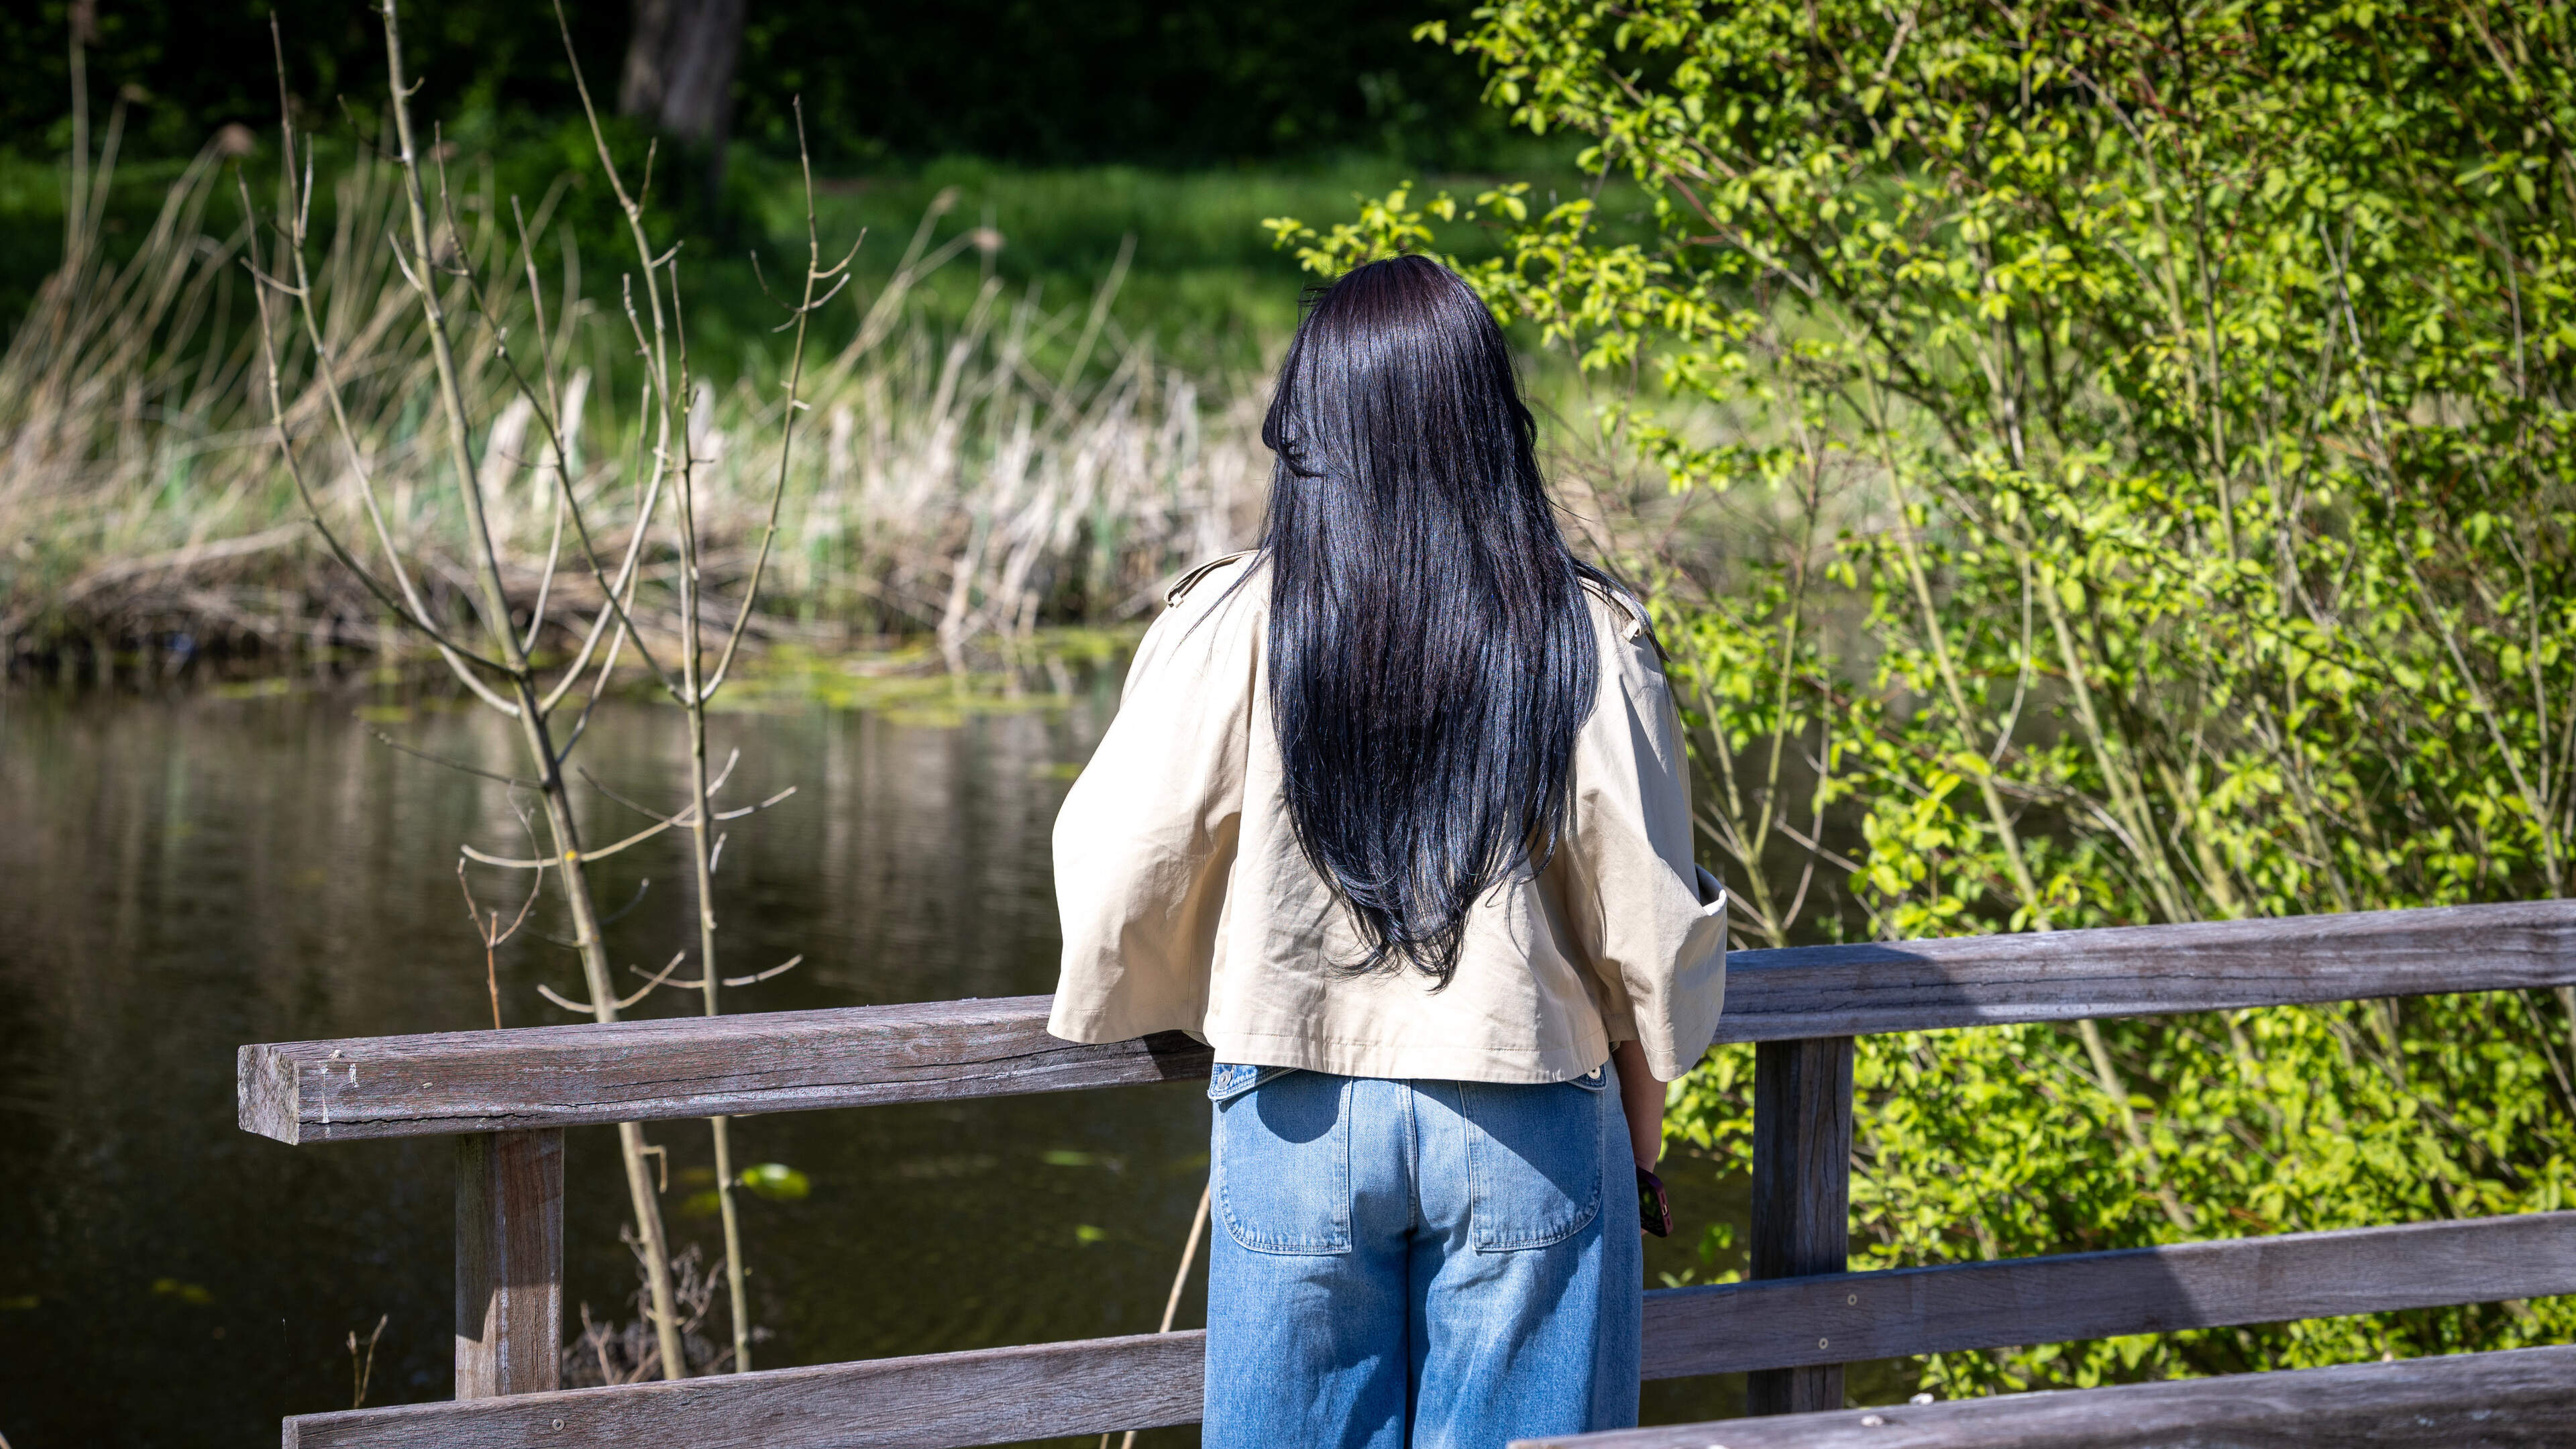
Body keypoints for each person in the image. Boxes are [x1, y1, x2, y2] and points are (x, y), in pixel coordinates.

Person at [1047, 254, 1727, 1449]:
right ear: (1486, 420)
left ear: (1312, 428)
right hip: (1531, 1108)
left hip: (1295, 1107)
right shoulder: (1586, 629)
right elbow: (1652, 927)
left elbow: (1119, 872)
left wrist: (1215, 992)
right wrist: (1648, 1132)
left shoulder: (1231, 618)